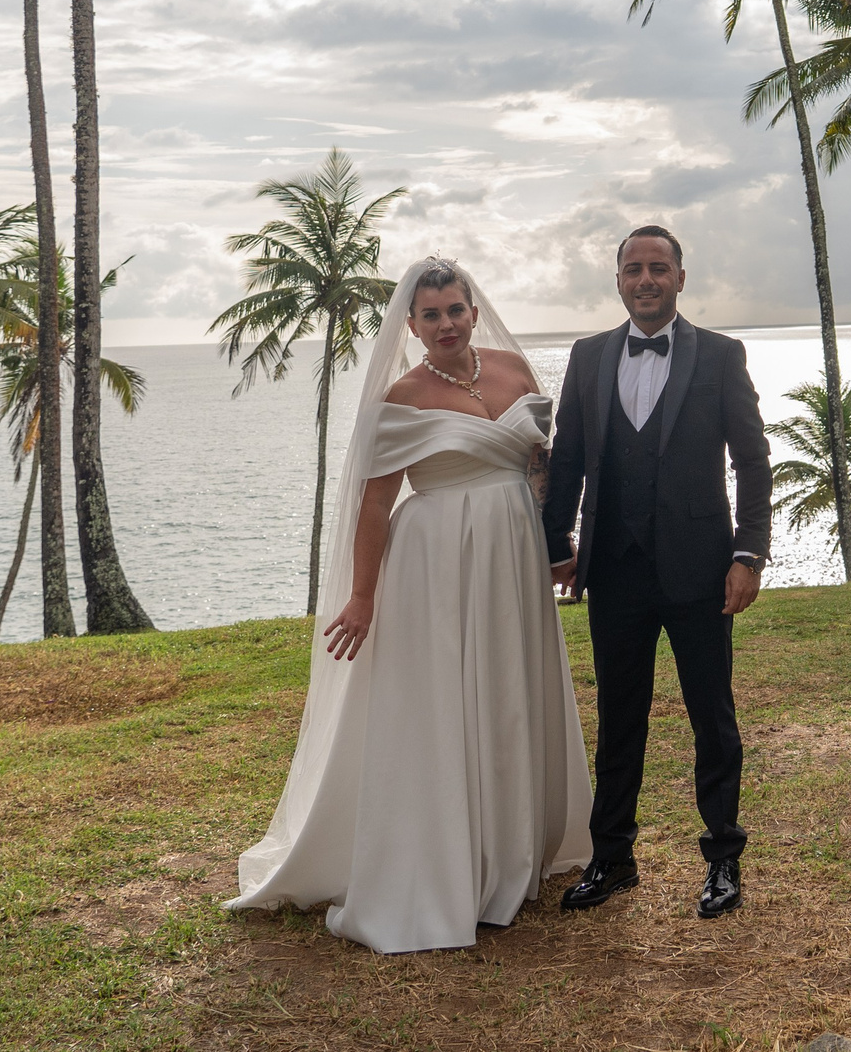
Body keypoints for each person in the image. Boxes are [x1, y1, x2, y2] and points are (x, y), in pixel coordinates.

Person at [226, 258, 590, 952]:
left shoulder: (514, 368)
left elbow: (540, 463)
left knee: (510, 690)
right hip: (437, 560)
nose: (447, 323)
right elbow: (374, 504)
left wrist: (555, 542)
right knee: (442, 701)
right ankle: (448, 859)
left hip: (513, 556)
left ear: (473, 310)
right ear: (413, 324)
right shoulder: (404, 393)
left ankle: (512, 849)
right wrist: (362, 596)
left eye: (456, 308)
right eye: (432, 315)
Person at [541, 224, 772, 920]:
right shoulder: (587, 357)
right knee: (619, 719)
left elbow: (753, 460)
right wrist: (558, 545)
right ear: (618, 280)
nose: (646, 278)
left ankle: (723, 859)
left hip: (702, 570)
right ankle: (612, 858)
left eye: (659, 267)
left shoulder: (722, 356)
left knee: (712, 716)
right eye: (634, 268)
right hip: (613, 570)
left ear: (679, 277)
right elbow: (569, 458)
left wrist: (748, 552)